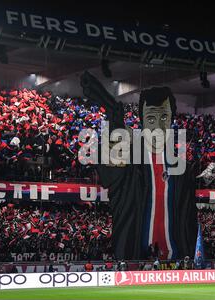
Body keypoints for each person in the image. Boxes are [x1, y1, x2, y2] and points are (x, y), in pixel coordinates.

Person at [81, 71, 197, 260]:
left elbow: (188, 219)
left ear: (171, 119)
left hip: (178, 260)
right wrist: (115, 124)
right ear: (142, 121)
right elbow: (109, 176)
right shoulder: (130, 160)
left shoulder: (182, 168)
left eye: (164, 118)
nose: (158, 126)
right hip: (133, 259)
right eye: (151, 119)